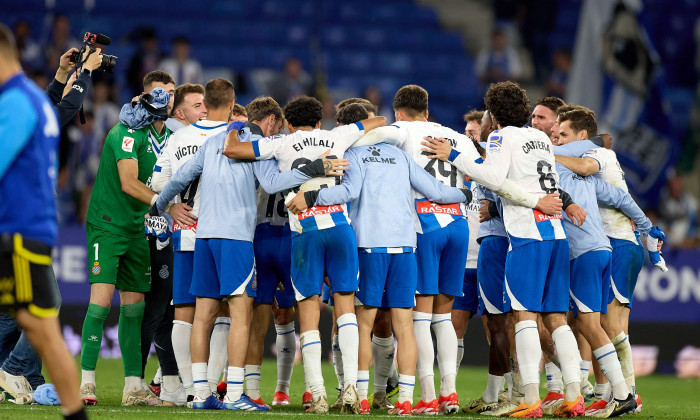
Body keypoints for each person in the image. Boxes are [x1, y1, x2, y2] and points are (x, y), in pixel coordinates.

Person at [151, 81, 348, 411]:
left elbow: (178, 179)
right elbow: (272, 183)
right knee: (241, 314)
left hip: (205, 237)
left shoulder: (212, 143)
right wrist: (315, 168)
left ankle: (200, 395)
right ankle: (233, 395)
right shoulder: (255, 142)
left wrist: (159, 207)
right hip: (236, 238)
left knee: (203, 314)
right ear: (234, 106)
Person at [422, 81, 587, 418]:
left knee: (524, 316)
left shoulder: (501, 136)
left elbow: (494, 179)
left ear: (493, 116)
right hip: (555, 233)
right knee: (556, 318)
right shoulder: (540, 137)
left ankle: (530, 398)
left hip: (528, 233)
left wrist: (452, 154)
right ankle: (574, 396)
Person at [221, 95, 387, 414]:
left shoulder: (282, 143)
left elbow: (234, 149)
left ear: (289, 122)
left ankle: (319, 395)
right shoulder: (337, 135)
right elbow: (379, 121)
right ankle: (351, 390)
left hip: (305, 231)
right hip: (340, 226)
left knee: (308, 313)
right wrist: (350, 133)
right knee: (346, 308)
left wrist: (234, 129)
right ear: (319, 120)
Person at [0, 23, 87, 420]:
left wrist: (80, 78)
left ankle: (16, 373)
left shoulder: (16, 104)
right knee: (34, 320)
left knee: (41, 319)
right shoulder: (30, 102)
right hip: (29, 225)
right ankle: (21, 377)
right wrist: (65, 77)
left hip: (14, 228)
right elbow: (53, 110)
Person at [79, 70, 175, 406]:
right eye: (160, 92)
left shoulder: (168, 136)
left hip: (137, 227)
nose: (167, 98)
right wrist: (166, 206)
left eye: (171, 92)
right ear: (144, 96)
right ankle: (86, 384)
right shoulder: (127, 132)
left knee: (134, 310)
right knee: (102, 303)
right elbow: (129, 184)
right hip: (107, 225)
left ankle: (134, 387)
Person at [240, 96, 296, 408]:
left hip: (260, 235)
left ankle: (252, 390)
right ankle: (284, 391)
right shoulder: (294, 148)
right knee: (296, 311)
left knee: (258, 315)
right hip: (291, 235)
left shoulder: (256, 148)